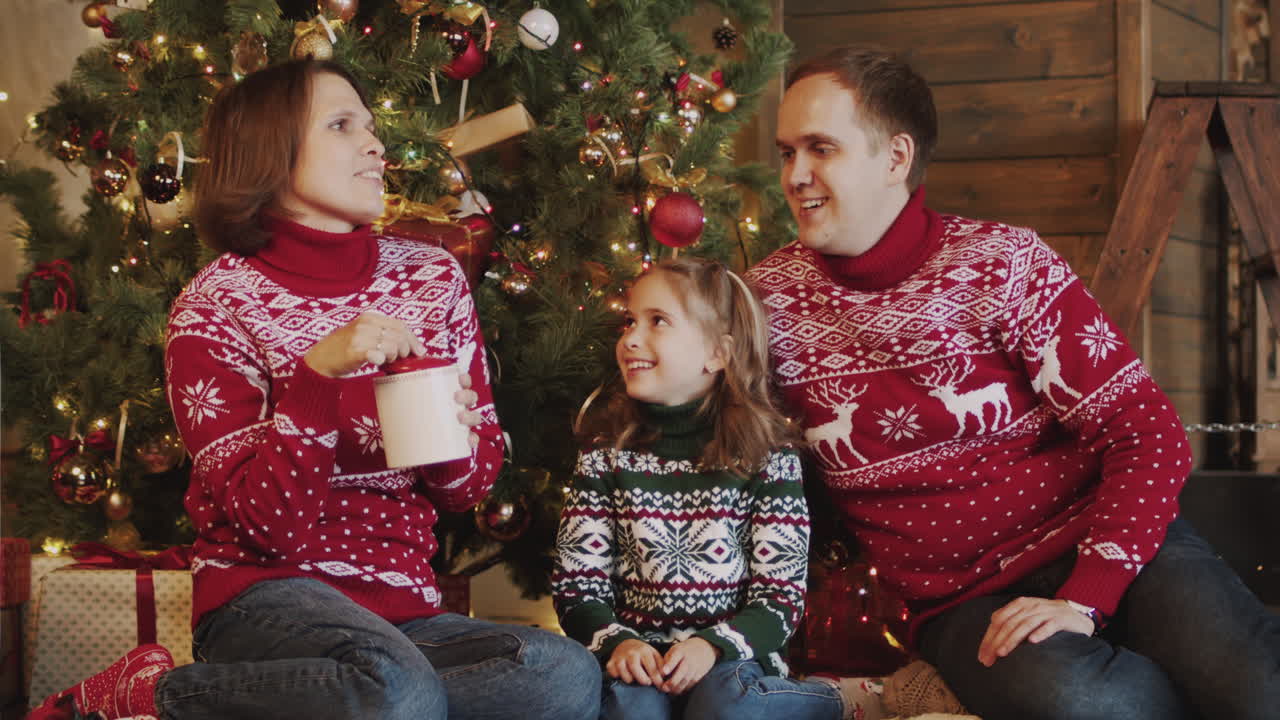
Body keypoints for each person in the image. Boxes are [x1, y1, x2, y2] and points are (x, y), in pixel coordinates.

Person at [29, 60, 599, 720]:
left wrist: (445, 433)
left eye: (370, 125)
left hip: (401, 610)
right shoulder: (213, 306)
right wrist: (318, 377)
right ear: (269, 155)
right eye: (341, 124)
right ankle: (153, 696)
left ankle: (319, 705)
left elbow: (466, 488)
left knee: (562, 673)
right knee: (396, 693)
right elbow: (266, 528)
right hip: (266, 594)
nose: (375, 143)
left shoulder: (430, 277)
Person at [747, 44, 1280, 720]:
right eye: (787, 150)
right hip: (963, 599)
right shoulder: (765, 303)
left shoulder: (1005, 266)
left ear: (896, 157)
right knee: (1091, 704)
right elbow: (743, 454)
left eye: (820, 148)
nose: (795, 174)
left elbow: (1149, 433)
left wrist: (1088, 595)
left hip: (1105, 539)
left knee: (1259, 686)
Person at [552, 257, 886, 720]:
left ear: (717, 354)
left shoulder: (767, 457)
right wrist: (618, 641)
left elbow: (781, 594)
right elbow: (577, 584)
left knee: (727, 707)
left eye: (658, 322)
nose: (630, 338)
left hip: (734, 660)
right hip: (642, 659)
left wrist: (713, 646)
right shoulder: (605, 453)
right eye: (629, 321)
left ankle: (841, 700)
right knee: (625, 711)